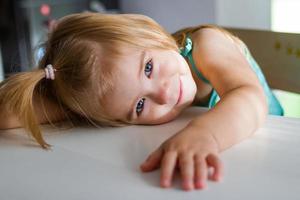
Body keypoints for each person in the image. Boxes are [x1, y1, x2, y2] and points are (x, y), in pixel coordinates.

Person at [0, 12, 283, 191]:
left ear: (148, 30)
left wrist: (204, 134)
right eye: (139, 105)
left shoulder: (206, 45)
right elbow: (9, 112)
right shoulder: (108, 94)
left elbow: (249, 97)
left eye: (148, 67)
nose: (162, 95)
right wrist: (65, 100)